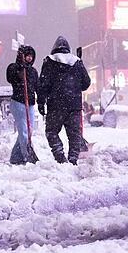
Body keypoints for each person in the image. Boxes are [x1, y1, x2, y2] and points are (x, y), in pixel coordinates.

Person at [38, 36, 91, 165]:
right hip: (74, 106)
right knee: (74, 135)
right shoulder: (77, 62)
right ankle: (73, 160)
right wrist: (75, 85)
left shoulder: (49, 62)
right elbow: (86, 83)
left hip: (55, 105)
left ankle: (60, 158)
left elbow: (43, 84)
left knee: (51, 132)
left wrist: (41, 102)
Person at [6, 45, 40, 164]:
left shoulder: (33, 71)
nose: (29, 58)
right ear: (22, 56)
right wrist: (20, 68)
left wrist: (41, 100)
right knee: (24, 131)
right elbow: (10, 78)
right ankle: (28, 156)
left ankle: (16, 157)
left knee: (28, 131)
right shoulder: (13, 67)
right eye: (27, 56)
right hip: (18, 103)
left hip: (29, 104)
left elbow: (38, 87)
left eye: (31, 56)